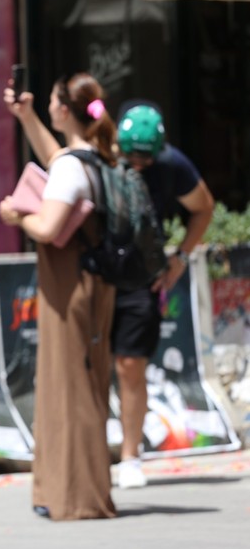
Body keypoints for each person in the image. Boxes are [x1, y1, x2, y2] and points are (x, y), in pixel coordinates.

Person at [0, 72, 118, 520]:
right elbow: (57, 156)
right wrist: (26, 116)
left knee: (70, 388)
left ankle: (77, 498)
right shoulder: (100, 154)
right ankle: (71, 491)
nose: (48, 104)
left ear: (64, 110)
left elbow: (48, 227)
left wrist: (16, 214)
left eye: (49, 100)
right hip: (94, 284)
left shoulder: (72, 166)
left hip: (72, 287)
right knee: (83, 383)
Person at [112, 103, 214, 488]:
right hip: (100, 275)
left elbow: (203, 208)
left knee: (130, 366)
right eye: (130, 155)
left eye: (145, 157)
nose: (137, 164)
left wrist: (182, 258)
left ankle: (130, 456)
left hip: (143, 278)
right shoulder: (106, 155)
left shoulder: (173, 165)